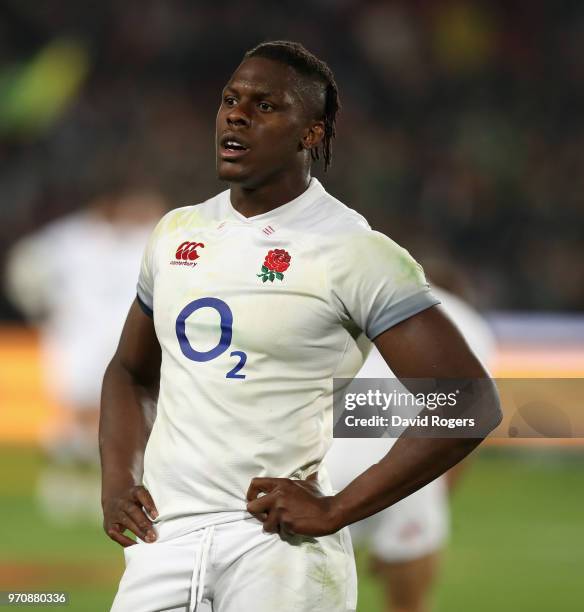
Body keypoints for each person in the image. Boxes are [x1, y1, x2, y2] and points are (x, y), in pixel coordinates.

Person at [100, 41, 501, 612]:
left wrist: (337, 509)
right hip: (165, 543)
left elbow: (470, 402)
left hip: (276, 554)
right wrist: (118, 481)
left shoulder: (354, 251)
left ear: (311, 134)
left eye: (266, 106)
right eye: (231, 100)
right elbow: (130, 371)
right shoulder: (174, 234)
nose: (236, 114)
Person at [326, 286, 497, 612]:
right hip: (407, 459)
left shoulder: (349, 290)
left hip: (330, 454)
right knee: (408, 605)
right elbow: (471, 416)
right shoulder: (466, 321)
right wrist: (435, 498)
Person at [4, 188, 165, 521]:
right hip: (77, 337)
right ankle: (65, 484)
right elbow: (26, 269)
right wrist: (40, 309)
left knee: (110, 410)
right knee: (77, 412)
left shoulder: (149, 237)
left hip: (120, 337)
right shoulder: (71, 237)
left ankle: (99, 486)